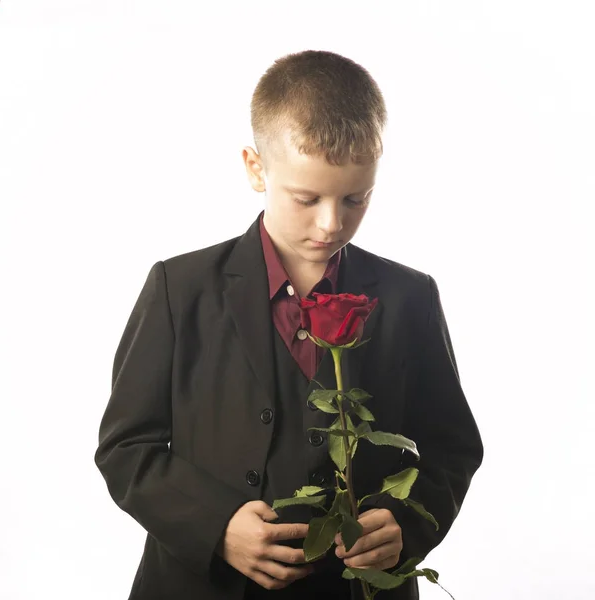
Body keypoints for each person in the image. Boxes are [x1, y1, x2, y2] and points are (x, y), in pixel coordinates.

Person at [94, 49, 483, 600]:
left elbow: (453, 446)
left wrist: (407, 525)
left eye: (356, 198)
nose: (332, 223)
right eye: (307, 198)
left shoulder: (409, 297)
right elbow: (125, 447)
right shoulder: (178, 288)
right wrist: (217, 528)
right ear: (256, 168)